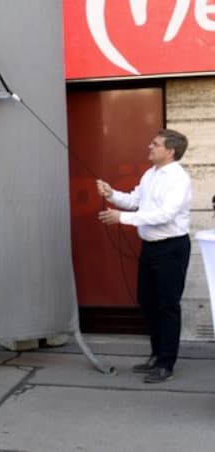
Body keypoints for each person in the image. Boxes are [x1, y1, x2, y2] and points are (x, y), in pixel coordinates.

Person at [96, 129, 191, 384]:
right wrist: (111, 194)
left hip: (171, 248)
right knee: (147, 301)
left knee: (168, 306)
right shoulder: (150, 175)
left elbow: (164, 215)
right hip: (150, 247)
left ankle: (165, 363)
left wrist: (121, 218)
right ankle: (157, 353)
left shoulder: (179, 179)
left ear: (169, 151)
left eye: (155, 144)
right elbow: (135, 201)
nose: (149, 146)